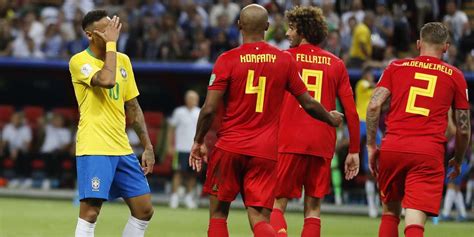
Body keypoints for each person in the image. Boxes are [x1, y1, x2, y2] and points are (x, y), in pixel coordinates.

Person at [188, 4, 343, 237]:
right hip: (265, 151)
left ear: (239, 25)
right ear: (268, 27)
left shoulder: (227, 60)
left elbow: (209, 109)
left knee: (219, 214)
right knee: (260, 218)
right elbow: (309, 102)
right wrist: (330, 118)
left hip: (229, 146)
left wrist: (198, 140)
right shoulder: (284, 61)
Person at [366, 22, 471, 237]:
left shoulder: (395, 67)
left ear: (418, 44)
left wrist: (370, 144)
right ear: (446, 47)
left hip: (393, 147)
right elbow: (463, 128)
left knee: (389, 213)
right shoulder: (455, 75)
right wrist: (458, 159)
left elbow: (374, 105)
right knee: (414, 219)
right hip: (427, 152)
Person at [270, 6, 360, 237]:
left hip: (288, 140)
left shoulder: (283, 58)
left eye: (291, 28)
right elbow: (351, 111)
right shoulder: (337, 64)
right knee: (313, 208)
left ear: (301, 30)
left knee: (277, 203)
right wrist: (354, 151)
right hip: (321, 143)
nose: (288, 34)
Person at [69, 10, 155, 237]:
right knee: (90, 213)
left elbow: (133, 107)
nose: (112, 32)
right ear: (90, 35)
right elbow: (106, 81)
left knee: (144, 210)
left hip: (122, 147)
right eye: (105, 29)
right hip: (95, 145)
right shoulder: (79, 61)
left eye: (113, 27)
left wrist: (147, 146)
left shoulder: (124, 61)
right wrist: (112, 46)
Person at [168, 90, 201, 209]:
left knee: (192, 174)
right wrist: (170, 145)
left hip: (193, 149)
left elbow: (202, 131)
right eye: (190, 98)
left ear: (197, 100)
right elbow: (171, 129)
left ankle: (188, 197)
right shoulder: (178, 112)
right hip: (180, 148)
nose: (192, 100)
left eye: (194, 98)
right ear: (186, 99)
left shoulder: (200, 113)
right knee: (177, 173)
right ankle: (174, 197)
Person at [356, 66, 382, 218]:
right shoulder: (361, 84)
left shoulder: (373, 92)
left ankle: (377, 204)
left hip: (372, 123)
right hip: (361, 122)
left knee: (378, 164)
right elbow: (371, 86)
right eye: (370, 75)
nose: (371, 78)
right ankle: (372, 206)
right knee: (369, 167)